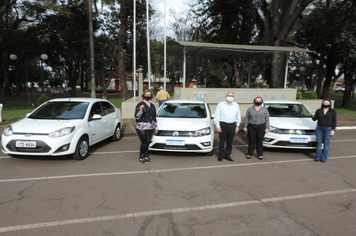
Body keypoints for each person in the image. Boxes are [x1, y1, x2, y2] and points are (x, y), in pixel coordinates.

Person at [214, 91, 241, 162]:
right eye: (229, 95)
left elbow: (238, 116)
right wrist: (218, 126)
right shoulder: (221, 104)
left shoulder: (236, 105)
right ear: (226, 96)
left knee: (230, 142)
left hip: (232, 125)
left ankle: (227, 155)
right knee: (222, 141)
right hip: (223, 124)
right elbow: (217, 116)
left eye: (231, 96)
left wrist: (237, 126)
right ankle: (220, 155)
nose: (230, 97)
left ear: (233, 97)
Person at [135, 90, 158, 164]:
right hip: (142, 126)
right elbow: (137, 116)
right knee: (144, 141)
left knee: (148, 142)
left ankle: (146, 155)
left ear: (151, 96)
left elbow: (154, 117)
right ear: (143, 95)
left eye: (149, 94)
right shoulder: (140, 104)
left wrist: (156, 127)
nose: (148, 96)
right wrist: (141, 110)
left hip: (151, 126)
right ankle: (141, 156)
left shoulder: (152, 105)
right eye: (146, 94)